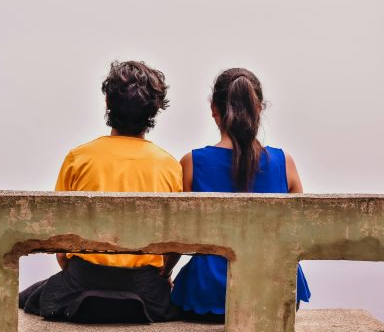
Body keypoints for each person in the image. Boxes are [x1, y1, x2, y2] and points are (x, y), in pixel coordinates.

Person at [19, 60, 183, 323]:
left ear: (107, 102)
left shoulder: (78, 158)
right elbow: (175, 244)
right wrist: (162, 277)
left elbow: (60, 244)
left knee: (27, 297)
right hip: (144, 289)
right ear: (154, 111)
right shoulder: (169, 166)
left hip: (83, 281)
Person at [170, 68, 311, 322]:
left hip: (210, 292)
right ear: (259, 108)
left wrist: (164, 273)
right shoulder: (284, 162)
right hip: (276, 289)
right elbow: (299, 234)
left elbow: (176, 237)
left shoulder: (192, 163)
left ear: (214, 109)